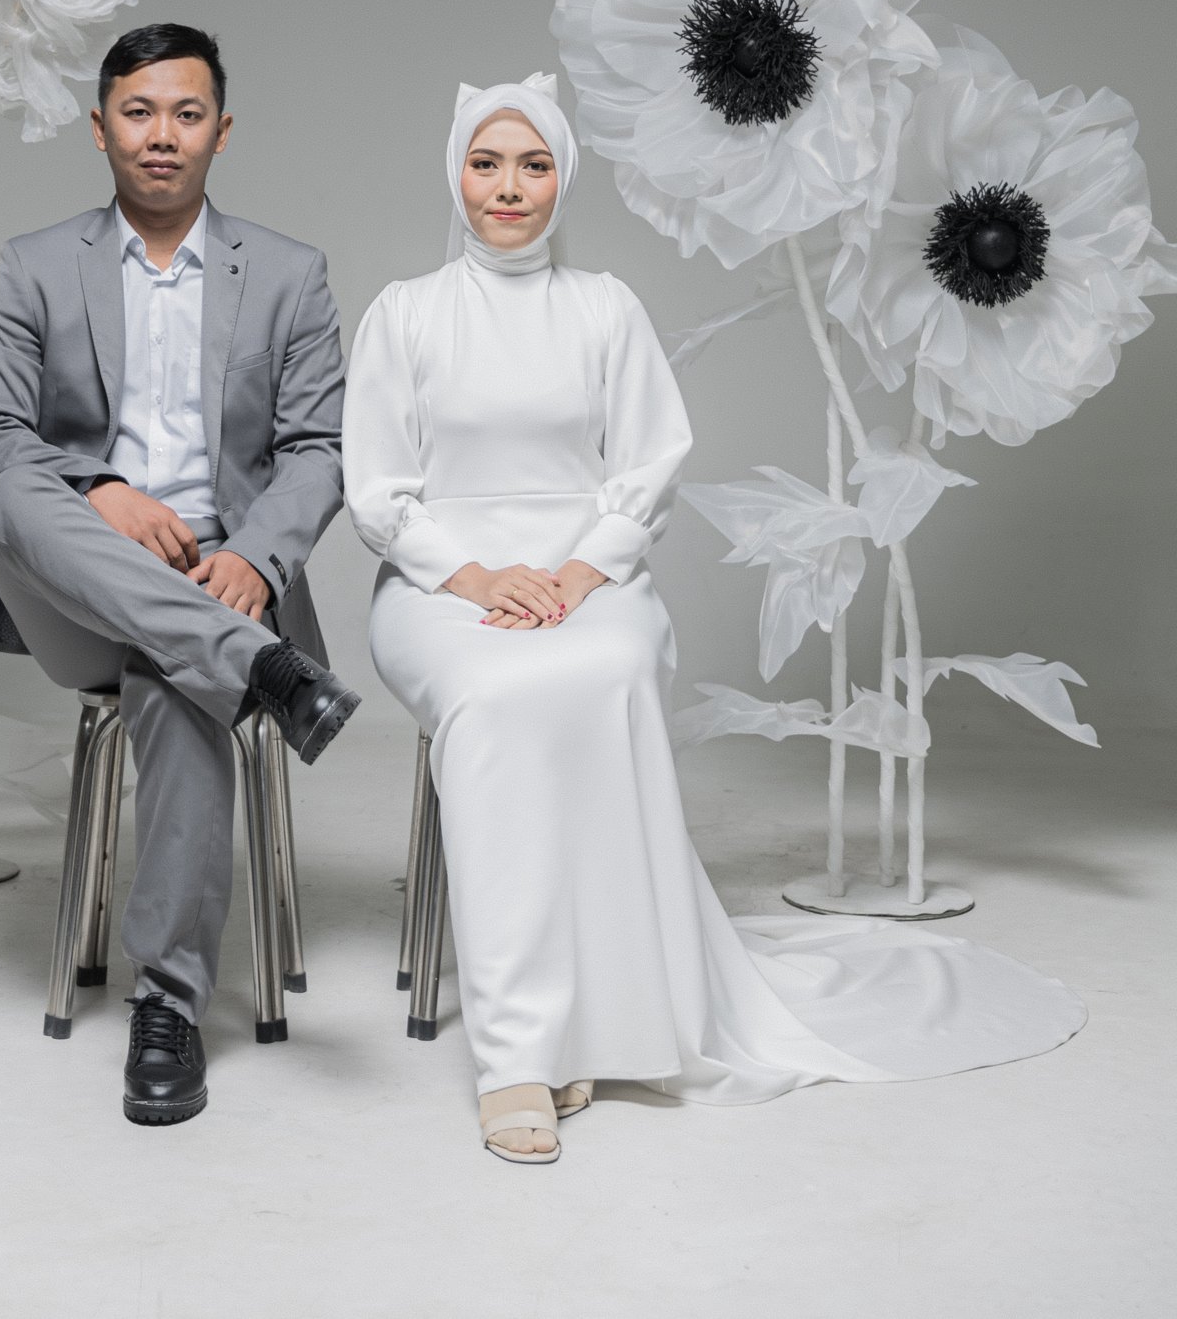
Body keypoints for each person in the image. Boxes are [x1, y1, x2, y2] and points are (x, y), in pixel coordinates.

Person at [343, 72, 1084, 1164]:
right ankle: (517, 1053)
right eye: (486, 162)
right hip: (439, 588)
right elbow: (377, 493)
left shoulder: (604, 306)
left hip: (591, 576)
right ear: (455, 173)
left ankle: (598, 1020)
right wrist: (479, 576)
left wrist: (580, 572)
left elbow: (650, 464)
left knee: (604, 674)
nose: (508, 186)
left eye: (533, 164)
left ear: (562, 180)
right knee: (498, 693)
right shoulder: (406, 312)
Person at [0, 22, 358, 1128]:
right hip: (74, 586)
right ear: (101, 128)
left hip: (225, 577)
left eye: (186, 112)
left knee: (179, 680)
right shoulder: (40, 263)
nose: (162, 134)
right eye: (138, 112)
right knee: (11, 494)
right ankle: (261, 668)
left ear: (222, 130)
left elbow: (317, 449)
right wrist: (100, 490)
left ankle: (168, 1004)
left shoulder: (288, 273)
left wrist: (253, 558)